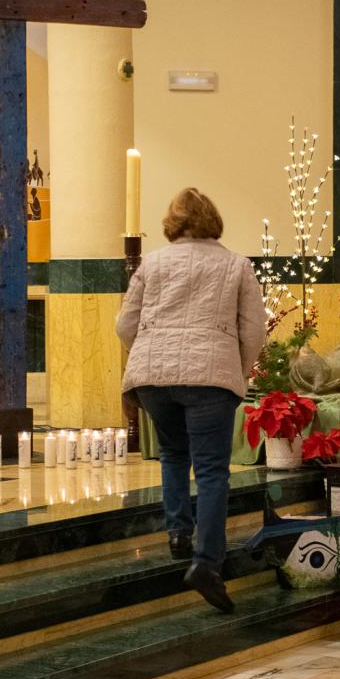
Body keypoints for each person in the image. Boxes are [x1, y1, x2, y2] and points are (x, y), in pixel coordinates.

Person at [116, 188, 266, 613]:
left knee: (172, 454)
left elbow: (125, 324)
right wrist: (235, 367)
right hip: (210, 377)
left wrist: (147, 348)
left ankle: (178, 532)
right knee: (214, 470)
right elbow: (254, 330)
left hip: (153, 377)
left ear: (173, 221)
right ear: (213, 220)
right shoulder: (236, 265)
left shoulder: (153, 262)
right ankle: (206, 563)